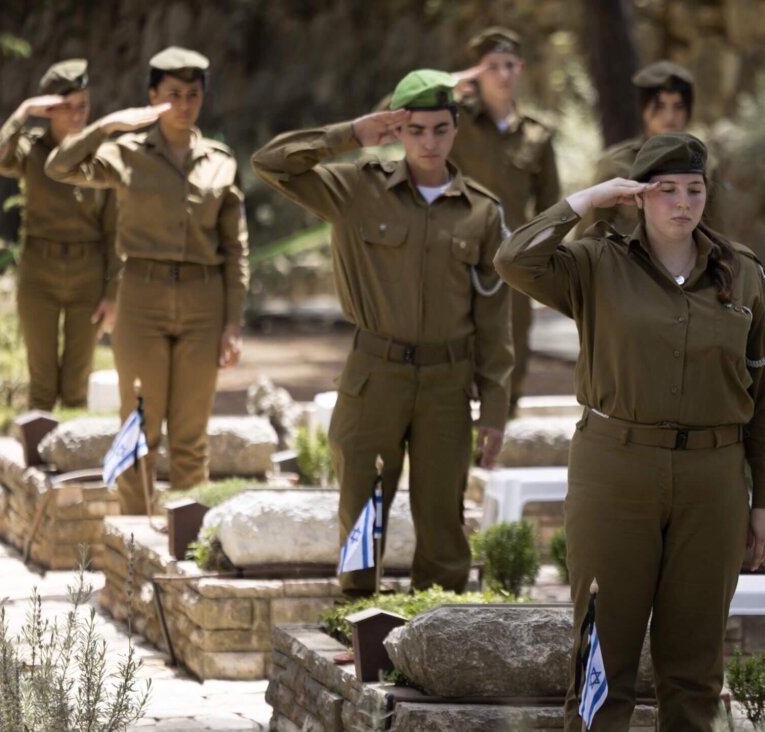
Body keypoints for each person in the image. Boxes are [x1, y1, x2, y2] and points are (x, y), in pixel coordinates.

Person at [495, 132, 765, 730]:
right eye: (666, 190)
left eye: (694, 190)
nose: (682, 203)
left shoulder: (744, 274)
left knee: (695, 665)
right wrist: (586, 202)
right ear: (639, 197)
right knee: (605, 650)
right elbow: (513, 259)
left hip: (714, 480)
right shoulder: (596, 264)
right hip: (615, 469)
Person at [252, 69, 512, 595]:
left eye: (440, 129)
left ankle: (438, 631)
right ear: (397, 131)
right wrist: (351, 133)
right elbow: (271, 163)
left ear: (456, 128)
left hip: (447, 382)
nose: (429, 142)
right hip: (376, 375)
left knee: (443, 516)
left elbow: (492, 316)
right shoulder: (357, 188)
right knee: (362, 505)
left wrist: (497, 408)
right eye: (415, 130)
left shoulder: (482, 212)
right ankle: (354, 615)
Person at [46, 47, 248, 514]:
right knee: (139, 424)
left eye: (193, 94)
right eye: (172, 94)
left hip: (203, 301)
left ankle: (185, 537)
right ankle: (135, 535)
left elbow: (236, 249)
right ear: (152, 95)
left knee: (191, 433)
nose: (183, 104)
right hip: (142, 297)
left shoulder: (220, 161)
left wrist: (232, 322)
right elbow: (60, 167)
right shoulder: (125, 153)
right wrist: (109, 125)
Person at [0, 58, 120, 411]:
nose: (77, 116)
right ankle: (40, 461)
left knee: (77, 383)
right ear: (49, 110)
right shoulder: (30, 150)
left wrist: (112, 293)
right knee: (42, 382)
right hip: (39, 274)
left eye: (83, 106)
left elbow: (114, 232)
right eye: (66, 108)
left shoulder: (102, 156)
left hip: (87, 277)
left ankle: (70, 461)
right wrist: (24, 110)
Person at [451, 26, 561, 415]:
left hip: (514, 258)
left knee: (513, 343)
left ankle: (500, 425)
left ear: (521, 69)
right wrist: (448, 88)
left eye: (508, 65)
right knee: (455, 338)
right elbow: (395, 112)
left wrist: (547, 265)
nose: (501, 74)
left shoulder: (537, 135)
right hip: (458, 252)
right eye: (491, 66)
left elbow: (552, 209)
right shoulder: (454, 122)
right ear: (477, 72)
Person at [574, 60, 723, 238]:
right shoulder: (615, 165)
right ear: (643, 110)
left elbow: (717, 235)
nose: (670, 116)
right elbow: (587, 237)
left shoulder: (705, 164)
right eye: (659, 107)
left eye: (678, 107)